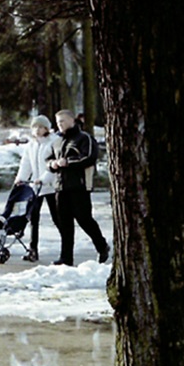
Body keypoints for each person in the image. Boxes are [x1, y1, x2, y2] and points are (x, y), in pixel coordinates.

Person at [47, 109, 109, 267]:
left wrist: (68, 162)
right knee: (65, 224)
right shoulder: (57, 141)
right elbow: (49, 159)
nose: (59, 125)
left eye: (62, 121)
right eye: (57, 122)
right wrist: (52, 165)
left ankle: (101, 245)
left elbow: (89, 158)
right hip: (61, 187)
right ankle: (66, 258)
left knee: (84, 219)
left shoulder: (84, 138)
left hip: (79, 186)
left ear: (71, 121)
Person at [2, 114, 57, 261]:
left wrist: (44, 179)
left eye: (41, 127)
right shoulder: (31, 144)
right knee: (32, 217)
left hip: (51, 186)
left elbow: (54, 165)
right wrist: (21, 179)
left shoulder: (53, 142)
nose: (38, 130)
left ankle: (66, 251)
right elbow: (26, 163)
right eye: (35, 127)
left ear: (47, 128)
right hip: (35, 186)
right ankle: (33, 250)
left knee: (57, 218)